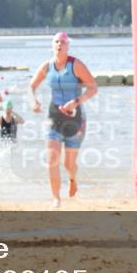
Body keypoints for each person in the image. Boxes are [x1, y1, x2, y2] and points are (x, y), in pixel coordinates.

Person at [29, 32, 98, 208]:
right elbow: (32, 86)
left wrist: (76, 102)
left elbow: (93, 88)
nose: (59, 45)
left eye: (63, 42)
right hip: (54, 116)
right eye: (56, 42)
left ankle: (73, 179)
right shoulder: (47, 66)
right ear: (52, 46)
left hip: (75, 117)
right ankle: (56, 198)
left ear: (68, 47)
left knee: (69, 164)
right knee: (52, 158)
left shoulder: (75, 65)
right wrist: (33, 101)